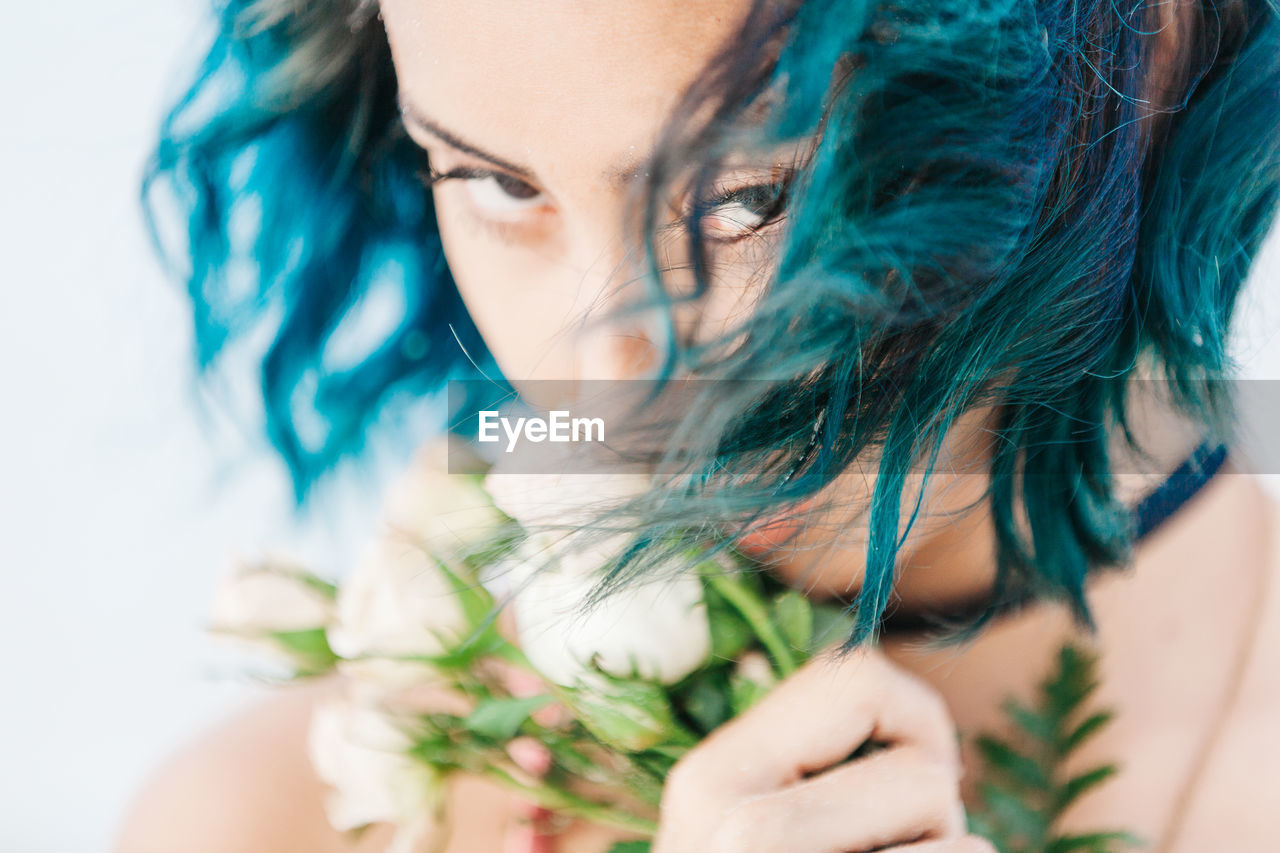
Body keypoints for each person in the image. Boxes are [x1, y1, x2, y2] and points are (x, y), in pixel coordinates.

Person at [118, 0, 1280, 850]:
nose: (612, 383)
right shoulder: (274, 819)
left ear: (1152, 40)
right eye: (495, 184)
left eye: (746, 197)